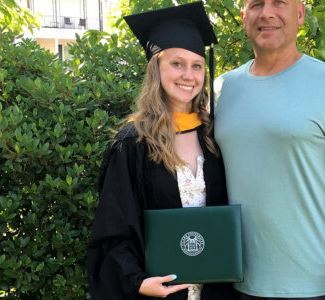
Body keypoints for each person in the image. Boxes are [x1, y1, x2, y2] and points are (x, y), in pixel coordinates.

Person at [214, 0, 325, 300]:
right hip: (233, 280)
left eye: (279, 3)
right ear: (243, 17)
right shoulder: (221, 89)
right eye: (256, 5)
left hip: (311, 284)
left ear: (300, 14)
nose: (266, 13)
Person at [87, 2, 234, 299]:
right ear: (156, 68)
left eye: (197, 65)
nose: (188, 75)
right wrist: (137, 282)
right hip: (161, 292)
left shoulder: (215, 135)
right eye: (176, 63)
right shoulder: (132, 143)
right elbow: (114, 225)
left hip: (217, 290)